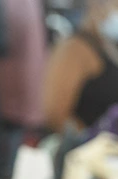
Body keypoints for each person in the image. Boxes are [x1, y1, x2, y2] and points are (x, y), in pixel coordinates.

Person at [44, 0, 118, 132]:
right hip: (85, 147)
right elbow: (54, 113)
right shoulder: (74, 49)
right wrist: (87, 138)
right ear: (96, 6)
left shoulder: (109, 47)